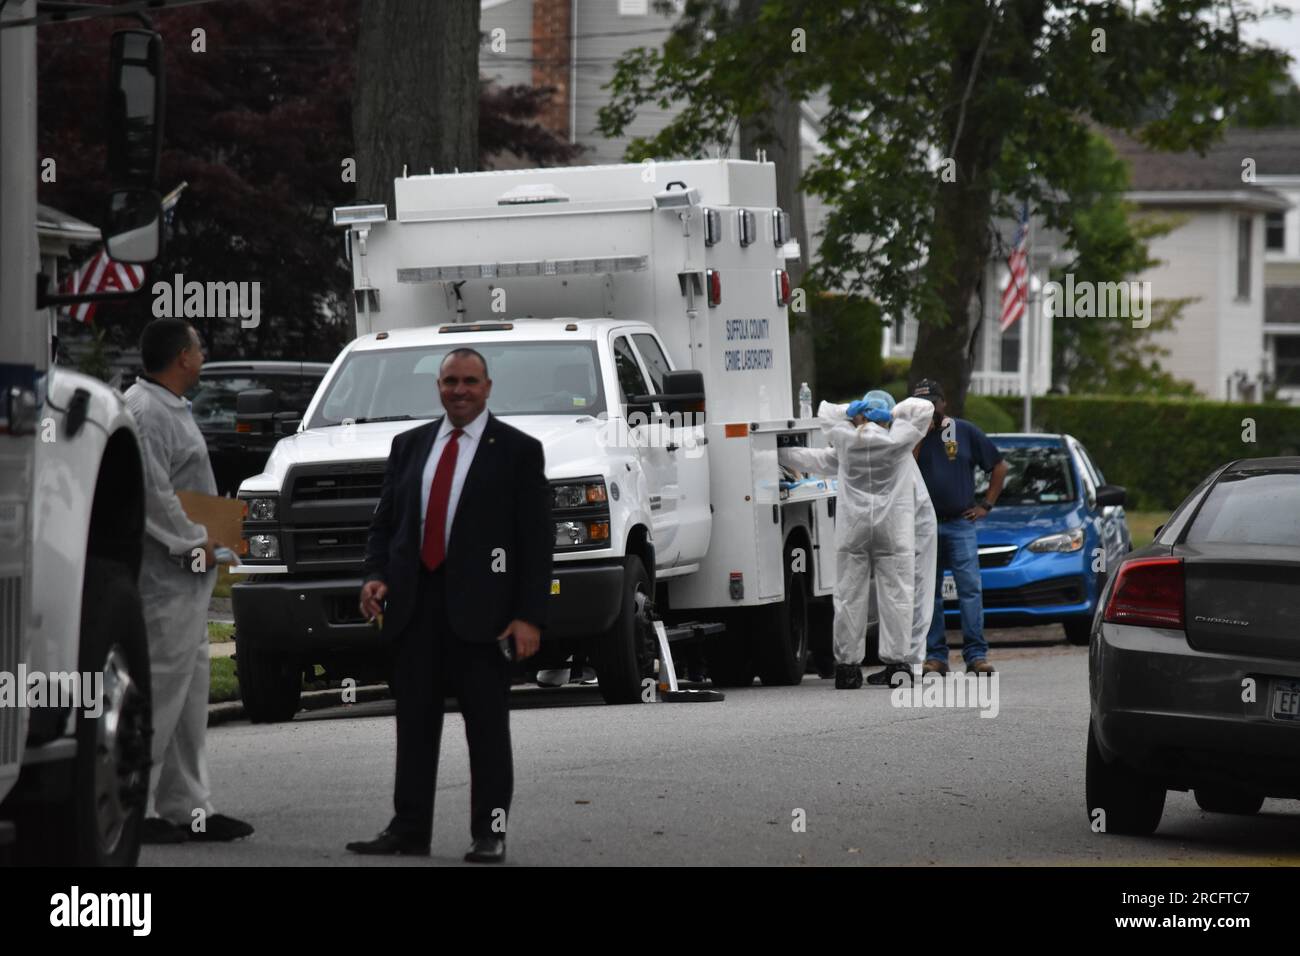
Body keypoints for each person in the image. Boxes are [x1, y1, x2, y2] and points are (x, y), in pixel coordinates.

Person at [347, 348, 552, 863]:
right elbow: (386, 525)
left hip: (485, 615)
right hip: (415, 610)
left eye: (469, 381)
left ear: (487, 387)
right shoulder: (409, 446)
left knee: (486, 730)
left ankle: (490, 832)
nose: (459, 390)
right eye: (449, 382)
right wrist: (374, 578)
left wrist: (528, 615)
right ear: (438, 387)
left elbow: (536, 540)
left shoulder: (518, 451)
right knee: (414, 727)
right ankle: (409, 829)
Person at [125, 318, 254, 844]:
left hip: (189, 580)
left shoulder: (167, 408)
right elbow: (150, 492)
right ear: (183, 356)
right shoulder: (145, 412)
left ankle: (188, 806)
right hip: (164, 579)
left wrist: (210, 539)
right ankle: (134, 807)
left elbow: (178, 486)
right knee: (158, 693)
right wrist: (190, 541)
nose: (202, 353)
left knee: (188, 697)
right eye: (198, 346)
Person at [778, 393, 936, 689]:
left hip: (854, 529)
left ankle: (848, 668)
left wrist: (780, 454)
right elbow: (924, 408)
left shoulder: (846, 441)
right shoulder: (900, 441)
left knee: (849, 597)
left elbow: (823, 426)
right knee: (897, 596)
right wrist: (894, 413)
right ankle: (897, 665)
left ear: (860, 415)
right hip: (894, 530)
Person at [911, 379, 1008, 675]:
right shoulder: (911, 434)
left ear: (943, 403)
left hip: (959, 524)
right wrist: (919, 435)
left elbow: (999, 466)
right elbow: (904, 468)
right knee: (929, 593)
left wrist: (985, 505)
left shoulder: (964, 431)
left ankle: (976, 655)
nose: (929, 410)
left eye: (932, 404)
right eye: (921, 405)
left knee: (969, 590)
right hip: (924, 525)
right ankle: (936, 656)